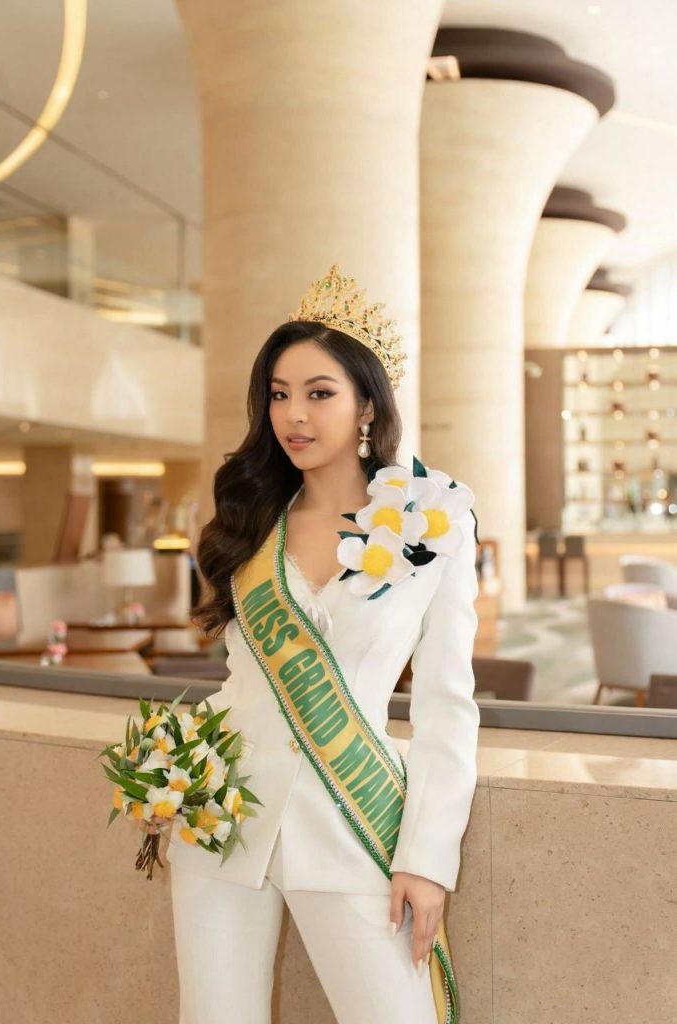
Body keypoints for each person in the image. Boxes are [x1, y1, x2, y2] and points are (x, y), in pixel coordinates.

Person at [159, 264, 481, 1024]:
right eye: (278, 394)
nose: (293, 415)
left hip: (350, 822)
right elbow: (242, 684)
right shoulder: (253, 521)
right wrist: (171, 775)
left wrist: (427, 859)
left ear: (367, 404)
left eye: (319, 392)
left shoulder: (434, 521)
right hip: (220, 820)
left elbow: (446, 705)